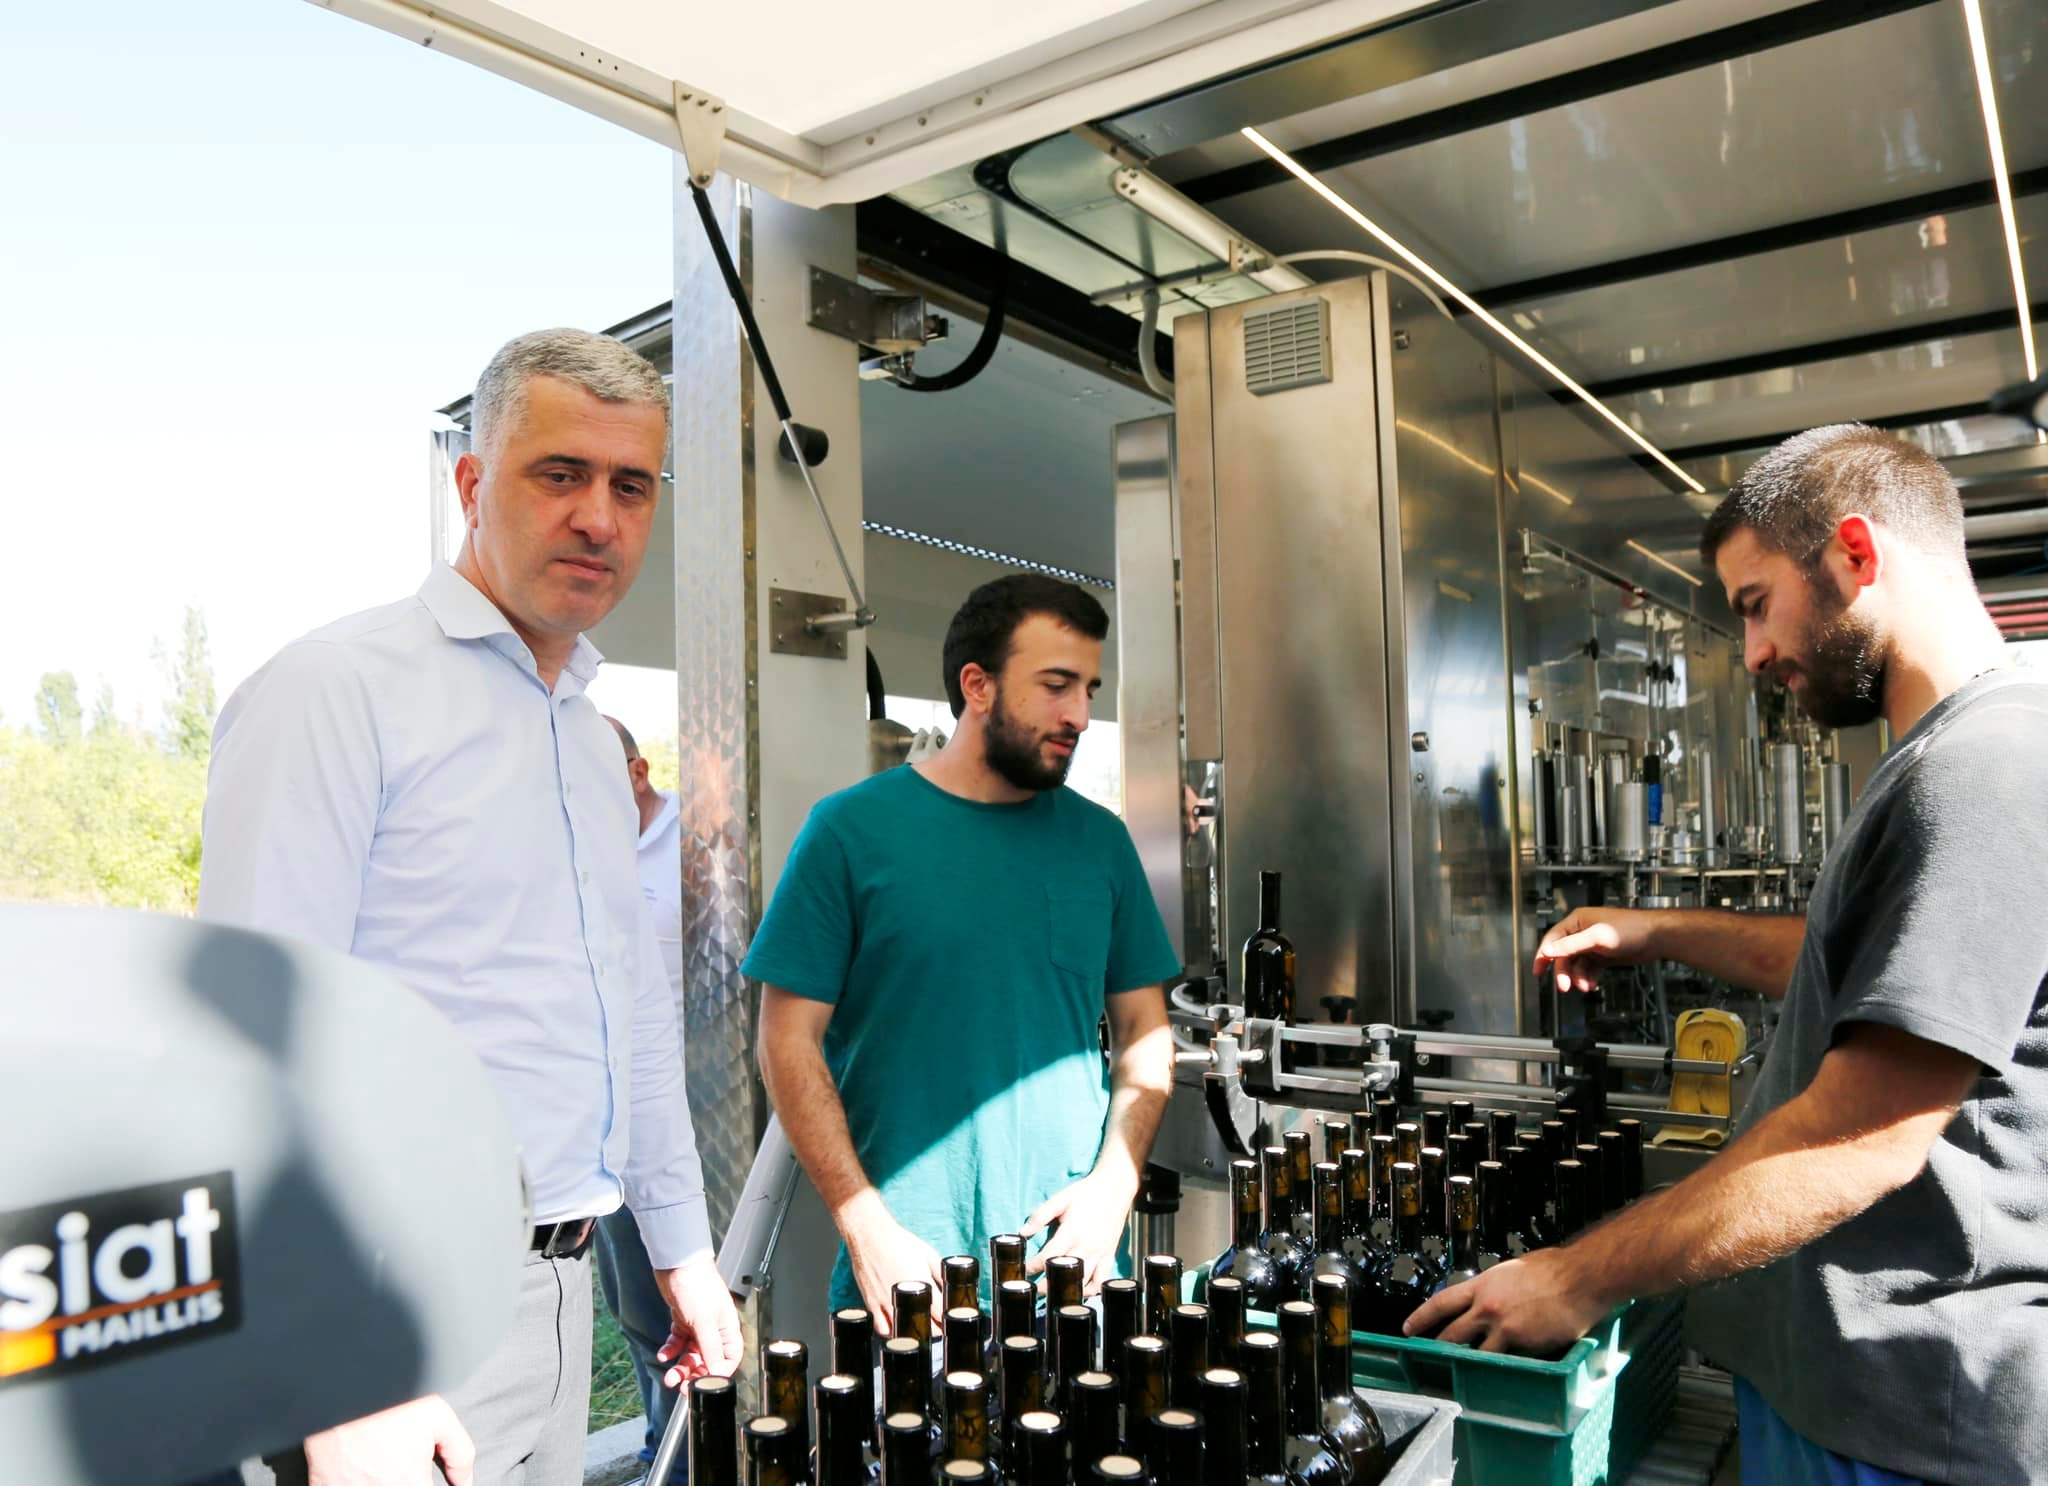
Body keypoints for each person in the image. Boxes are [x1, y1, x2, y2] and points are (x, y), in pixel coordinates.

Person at [1406, 425, 2048, 1485]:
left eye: (1755, 603)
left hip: (1905, 1421)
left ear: (1855, 553)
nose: (1750, 652)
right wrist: (1655, 929)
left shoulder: (1982, 764)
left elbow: (1860, 1136)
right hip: (1845, 1396)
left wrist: (1578, 1276)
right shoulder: (1941, 757)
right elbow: (1861, 972)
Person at [200, 329, 742, 1486]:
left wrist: (682, 1249)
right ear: (470, 484)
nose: (598, 516)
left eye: (630, 485)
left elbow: (634, 1018)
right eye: (559, 474)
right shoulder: (334, 692)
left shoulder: (588, 744)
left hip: (565, 1291)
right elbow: (246, 1048)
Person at [747, 575, 1180, 1331]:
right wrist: (864, 1227)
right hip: (909, 1275)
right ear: (977, 685)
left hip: (1069, 1266)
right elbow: (785, 1040)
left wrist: (1114, 1188)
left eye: (1088, 689)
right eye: (1056, 685)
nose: (1080, 715)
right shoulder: (849, 833)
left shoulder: (1101, 842)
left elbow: (1146, 1030)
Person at [596, 715, 688, 1484]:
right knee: (630, 1304)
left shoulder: (695, 841)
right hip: (606, 1123)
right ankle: (660, 1442)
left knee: (683, 1304)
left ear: (637, 772)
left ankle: (687, 1455)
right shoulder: (576, 850)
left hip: (689, 1118)